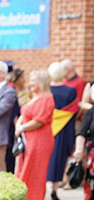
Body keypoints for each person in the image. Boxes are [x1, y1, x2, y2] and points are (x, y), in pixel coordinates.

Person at [15, 70, 55, 200]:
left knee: (35, 173)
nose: (30, 84)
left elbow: (39, 121)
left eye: (33, 81)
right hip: (28, 139)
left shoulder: (46, 99)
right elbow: (24, 114)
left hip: (40, 141)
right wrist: (19, 125)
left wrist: (22, 127)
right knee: (25, 170)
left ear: (41, 82)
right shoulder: (34, 98)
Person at [46, 62, 78, 199]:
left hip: (46, 128)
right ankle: (54, 189)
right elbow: (74, 113)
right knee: (59, 159)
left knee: (45, 158)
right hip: (63, 130)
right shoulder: (70, 91)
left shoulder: (45, 90)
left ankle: (43, 188)